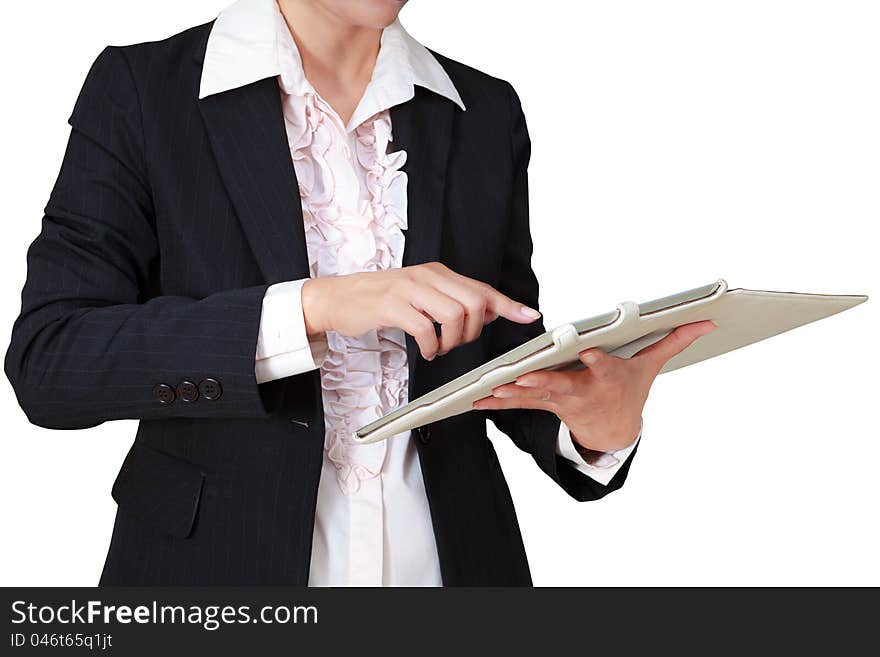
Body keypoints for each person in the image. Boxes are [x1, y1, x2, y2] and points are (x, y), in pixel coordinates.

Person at [5, 0, 714, 586]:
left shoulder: (485, 111)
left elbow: (498, 347)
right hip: (211, 576)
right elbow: (52, 360)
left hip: (454, 569)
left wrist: (594, 423)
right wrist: (315, 307)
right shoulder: (143, 91)